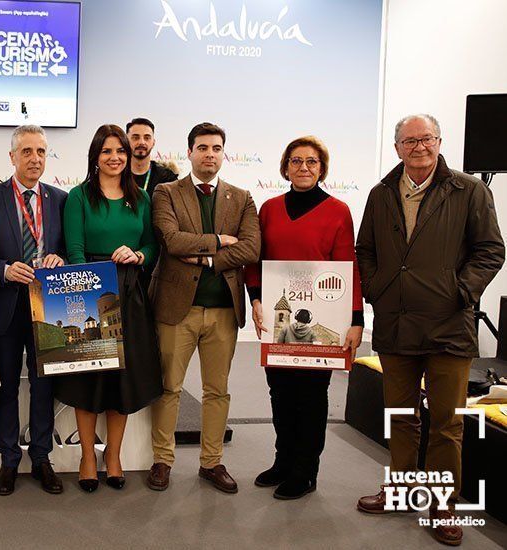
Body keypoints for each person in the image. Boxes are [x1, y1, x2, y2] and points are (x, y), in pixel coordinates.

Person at [355, 114, 504, 546]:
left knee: (446, 422)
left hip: (448, 326)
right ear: (397, 147)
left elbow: (491, 250)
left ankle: (443, 502)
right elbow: (366, 249)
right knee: (401, 416)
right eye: (410, 140)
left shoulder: (470, 190)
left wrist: (460, 292)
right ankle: (400, 491)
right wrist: (378, 291)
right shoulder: (381, 194)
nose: (419, 147)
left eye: (427, 138)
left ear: (439, 142)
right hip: (395, 322)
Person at [244, 135, 363, 500]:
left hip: (322, 319)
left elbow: (349, 267)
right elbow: (256, 260)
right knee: (279, 392)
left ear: (322, 168)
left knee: (311, 396)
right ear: (285, 167)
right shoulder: (269, 208)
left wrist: (356, 319)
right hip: (279, 319)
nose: (304, 167)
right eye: (296, 161)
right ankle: (283, 461)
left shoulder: (338, 210)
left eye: (311, 161)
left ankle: (305, 470)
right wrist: (257, 299)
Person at [147, 122, 260, 494]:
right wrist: (217, 241)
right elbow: (172, 240)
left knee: (217, 391)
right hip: (178, 308)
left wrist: (208, 260)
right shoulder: (166, 192)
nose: (209, 154)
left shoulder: (241, 198)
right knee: (169, 389)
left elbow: (250, 249)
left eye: (216, 148)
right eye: (202, 148)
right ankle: (162, 460)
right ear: (190, 152)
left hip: (224, 311)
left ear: (223, 153)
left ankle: (211, 462)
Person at [56, 124, 162, 493]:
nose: (115, 157)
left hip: (131, 293)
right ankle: (87, 457)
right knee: (89, 380)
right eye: (106, 151)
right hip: (90, 292)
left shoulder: (142, 198)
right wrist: (93, 289)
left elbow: (152, 245)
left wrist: (138, 254)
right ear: (95, 157)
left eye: (120, 150)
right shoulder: (79, 196)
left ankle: (113, 457)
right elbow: (75, 251)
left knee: (122, 381)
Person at [0, 125, 67, 496]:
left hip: (49, 307)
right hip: (7, 305)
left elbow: (69, 246)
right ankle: (9, 460)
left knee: (45, 384)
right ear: (12, 157)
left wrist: (60, 258)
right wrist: (4, 269)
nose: (35, 159)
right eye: (27, 152)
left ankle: (42, 457)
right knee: (7, 386)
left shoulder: (61, 199)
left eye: (41, 152)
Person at [127, 117, 178, 193]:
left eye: (147, 138)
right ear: (126, 141)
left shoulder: (167, 178)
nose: (141, 142)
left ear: (153, 143)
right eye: (135, 138)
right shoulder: (116, 174)